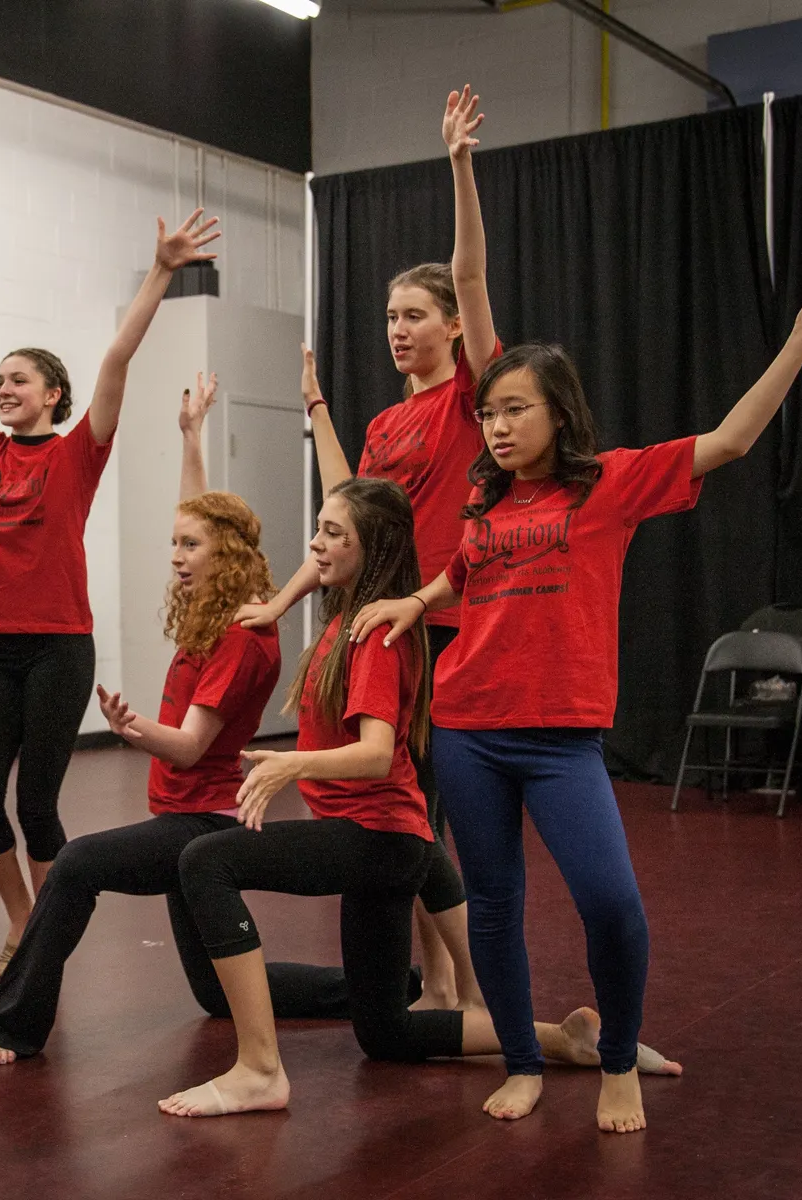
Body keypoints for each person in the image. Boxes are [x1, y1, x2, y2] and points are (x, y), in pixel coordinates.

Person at [353, 281, 802, 1132]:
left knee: (610, 905)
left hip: (561, 739)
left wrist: (799, 345)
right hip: (467, 729)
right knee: (492, 903)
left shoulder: (612, 483)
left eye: (514, 410)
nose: (495, 427)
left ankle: (617, 1057)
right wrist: (417, 603)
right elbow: (467, 569)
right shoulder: (484, 498)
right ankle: (523, 1059)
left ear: (557, 414)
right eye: (488, 413)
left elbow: (735, 440)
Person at [158, 477, 679, 1119]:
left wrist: (293, 762)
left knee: (206, 861)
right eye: (319, 529)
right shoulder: (351, 614)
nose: (316, 545)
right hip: (389, 844)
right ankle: (563, 1041)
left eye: (332, 533)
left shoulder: (374, 632)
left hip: (374, 840)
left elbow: (378, 754)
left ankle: (259, 1069)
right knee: (386, 1033)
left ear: (370, 545)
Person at [0, 375, 355, 1067]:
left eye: (188, 548)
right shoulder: (218, 606)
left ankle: (11, 1026)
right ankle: (377, 987)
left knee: (77, 865)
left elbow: (189, 746)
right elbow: (198, 508)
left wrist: (131, 728)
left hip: (203, 822)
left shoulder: (242, 635)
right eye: (174, 544)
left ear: (225, 556)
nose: (175, 557)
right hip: (184, 811)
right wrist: (190, 437)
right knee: (214, 991)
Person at [0, 209, 220, 974]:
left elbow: (118, 360)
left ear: (54, 394)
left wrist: (162, 270)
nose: (1, 389)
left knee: (36, 806)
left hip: (60, 648)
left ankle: (47, 935)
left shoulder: (76, 454)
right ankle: (23, 915)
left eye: (18, 380)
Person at [242, 86, 499, 1011]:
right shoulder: (389, 416)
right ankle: (432, 977)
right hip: (370, 625)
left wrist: (460, 166)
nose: (398, 328)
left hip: (440, 622)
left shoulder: (472, 396)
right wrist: (316, 409)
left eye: (414, 315)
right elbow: (348, 506)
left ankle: (472, 988)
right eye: (389, 316)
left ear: (453, 330)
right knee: (400, 819)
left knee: (419, 816)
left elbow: (470, 274)